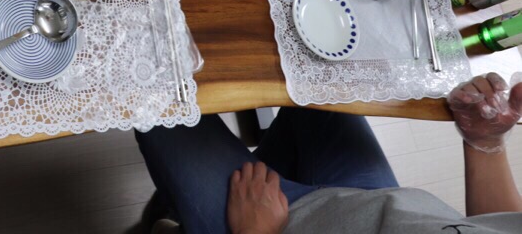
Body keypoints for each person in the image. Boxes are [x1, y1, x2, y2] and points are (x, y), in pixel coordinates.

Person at [136, 72, 522, 233]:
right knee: (320, 80)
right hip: (372, 203)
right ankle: (179, 203)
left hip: (272, 228)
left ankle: (173, 210)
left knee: (150, 92)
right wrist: (484, 144)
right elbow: (499, 225)